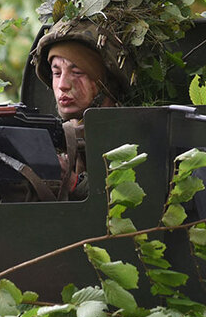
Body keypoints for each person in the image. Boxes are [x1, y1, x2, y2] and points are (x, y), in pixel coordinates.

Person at [30, 19, 134, 199]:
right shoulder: (58, 140)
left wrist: (72, 183)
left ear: (105, 83)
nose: (62, 85)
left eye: (77, 73)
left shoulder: (130, 136)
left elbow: (130, 203)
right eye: (56, 73)